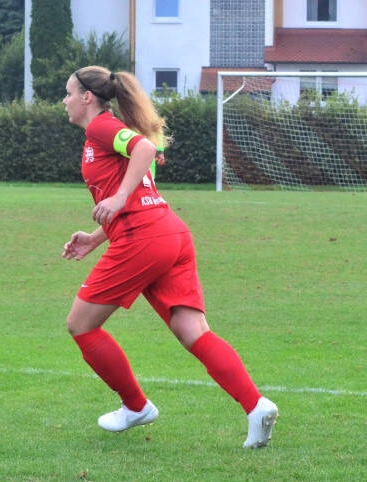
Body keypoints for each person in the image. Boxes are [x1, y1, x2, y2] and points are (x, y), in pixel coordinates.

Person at [61, 66, 278, 448]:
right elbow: (140, 193)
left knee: (81, 325)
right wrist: (95, 238)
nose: (64, 101)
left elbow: (144, 150)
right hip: (169, 233)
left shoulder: (101, 127)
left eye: (68, 93)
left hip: (143, 239)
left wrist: (118, 198)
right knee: (193, 332)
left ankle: (135, 406)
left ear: (87, 98)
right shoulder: (104, 134)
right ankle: (256, 406)